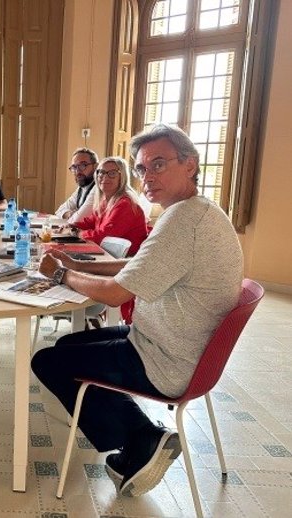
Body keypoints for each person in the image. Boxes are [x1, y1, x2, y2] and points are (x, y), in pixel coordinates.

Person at [32, 123, 243, 497]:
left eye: (158, 164)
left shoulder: (183, 222)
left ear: (190, 164)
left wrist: (64, 275)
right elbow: (134, 265)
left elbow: (114, 295)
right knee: (65, 348)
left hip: (166, 359)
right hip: (176, 345)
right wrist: (78, 266)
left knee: (47, 362)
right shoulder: (195, 212)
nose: (147, 176)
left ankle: (142, 437)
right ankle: (137, 439)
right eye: (142, 168)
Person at [70, 156, 148, 256]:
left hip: (124, 261)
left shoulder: (126, 204)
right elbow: (90, 222)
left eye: (112, 173)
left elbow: (102, 237)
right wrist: (72, 226)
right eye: (101, 172)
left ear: (122, 177)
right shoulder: (105, 200)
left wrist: (78, 233)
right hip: (108, 255)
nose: (105, 177)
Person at [55, 147, 98, 223]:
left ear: (95, 167)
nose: (77, 171)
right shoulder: (81, 188)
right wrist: (70, 214)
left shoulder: (98, 188)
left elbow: (78, 220)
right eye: (74, 167)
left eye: (83, 165)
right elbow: (59, 210)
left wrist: (75, 215)